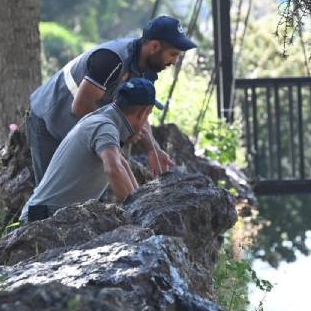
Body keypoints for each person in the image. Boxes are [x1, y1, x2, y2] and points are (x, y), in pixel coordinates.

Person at [27, 15, 196, 184]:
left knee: (83, 194)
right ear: (154, 46)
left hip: (77, 127)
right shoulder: (111, 59)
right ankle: (36, 212)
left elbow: (139, 114)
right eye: (173, 54)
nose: (174, 61)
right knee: (47, 192)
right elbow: (81, 106)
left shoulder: (149, 70)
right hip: (48, 117)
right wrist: (115, 135)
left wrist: (153, 149)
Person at [22, 78, 162, 223]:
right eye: (148, 116)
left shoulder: (100, 120)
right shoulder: (105, 128)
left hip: (46, 215)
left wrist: (142, 205)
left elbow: (122, 165)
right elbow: (113, 170)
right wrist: (139, 218)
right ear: (143, 112)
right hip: (42, 219)